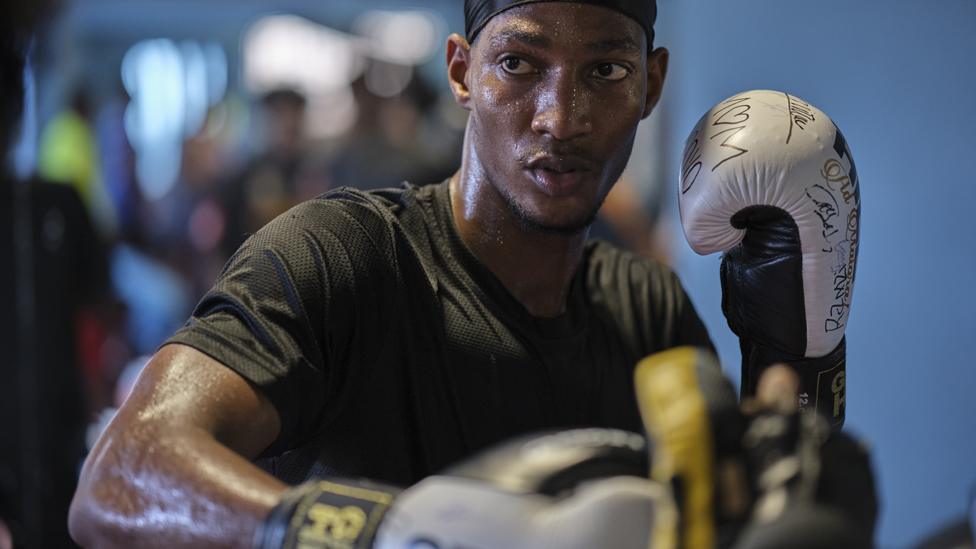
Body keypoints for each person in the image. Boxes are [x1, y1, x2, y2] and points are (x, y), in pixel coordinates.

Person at [70, 2, 870, 547]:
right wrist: (390, 532)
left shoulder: (644, 308)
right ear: (461, 72)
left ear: (652, 84)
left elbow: (738, 511)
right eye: (519, 63)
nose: (562, 118)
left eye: (607, 72)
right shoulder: (342, 256)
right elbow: (120, 476)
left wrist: (798, 363)